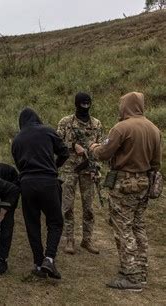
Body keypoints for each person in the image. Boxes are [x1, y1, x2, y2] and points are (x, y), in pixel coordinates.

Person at [89, 92, 161, 291]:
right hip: (144, 183)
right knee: (138, 226)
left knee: (123, 228)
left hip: (124, 184)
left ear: (126, 106)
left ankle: (131, 277)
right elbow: (156, 163)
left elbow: (104, 153)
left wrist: (93, 146)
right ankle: (141, 271)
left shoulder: (121, 128)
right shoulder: (154, 129)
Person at [12, 107, 69, 279]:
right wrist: (54, 166)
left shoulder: (17, 140)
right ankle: (49, 259)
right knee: (55, 222)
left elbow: (19, 165)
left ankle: (38, 263)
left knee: (32, 223)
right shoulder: (47, 131)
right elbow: (64, 152)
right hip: (48, 182)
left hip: (27, 184)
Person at [57, 92, 103, 255]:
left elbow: (100, 150)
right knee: (67, 206)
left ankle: (87, 239)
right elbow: (57, 143)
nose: (85, 107)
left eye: (87, 104)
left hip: (88, 169)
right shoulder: (66, 122)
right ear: (76, 104)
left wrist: (96, 169)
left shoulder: (96, 124)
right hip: (69, 169)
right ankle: (69, 239)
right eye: (82, 104)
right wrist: (73, 145)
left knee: (88, 207)